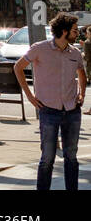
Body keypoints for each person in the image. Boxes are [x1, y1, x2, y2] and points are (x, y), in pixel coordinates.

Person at [16, 12, 86, 190]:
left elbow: (82, 73)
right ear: (64, 31)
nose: (77, 33)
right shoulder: (40, 48)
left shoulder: (75, 52)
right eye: (75, 30)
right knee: (47, 158)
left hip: (72, 110)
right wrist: (30, 96)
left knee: (71, 157)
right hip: (48, 111)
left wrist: (82, 94)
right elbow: (18, 67)